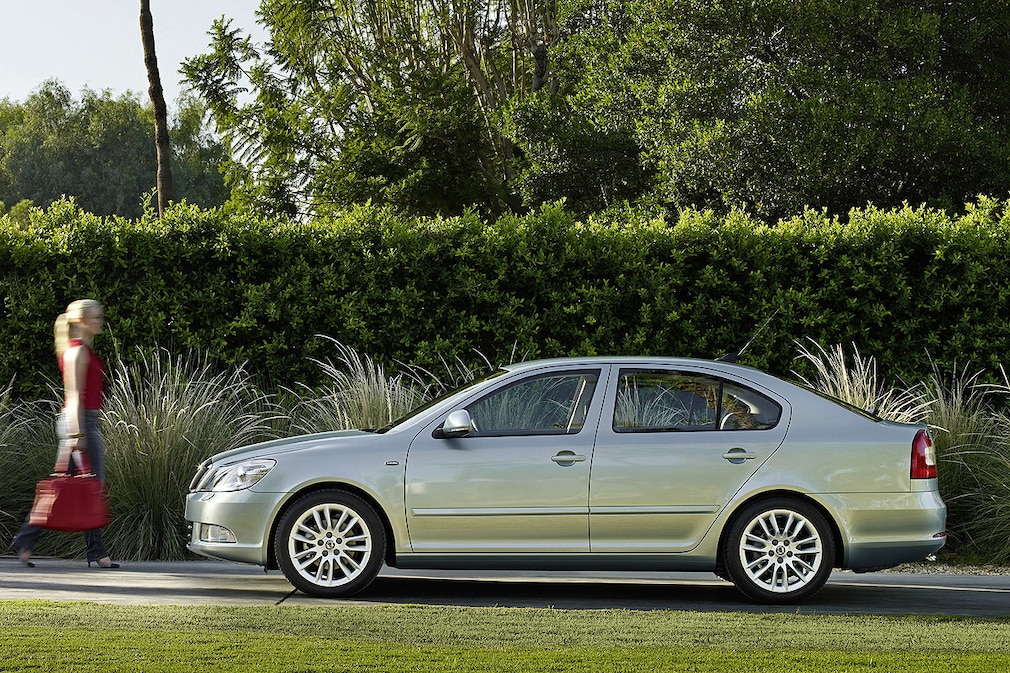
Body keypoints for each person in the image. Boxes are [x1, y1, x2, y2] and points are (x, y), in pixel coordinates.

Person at [9, 299, 119, 569]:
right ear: (81, 320)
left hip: (84, 422)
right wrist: (77, 435)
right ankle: (96, 552)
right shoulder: (77, 352)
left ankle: (25, 540)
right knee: (92, 486)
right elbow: (73, 396)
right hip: (80, 424)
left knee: (78, 487)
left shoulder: (81, 350)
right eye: (95, 316)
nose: (99, 320)